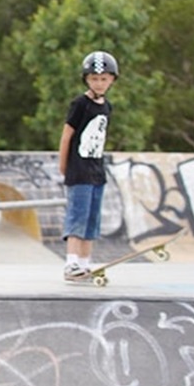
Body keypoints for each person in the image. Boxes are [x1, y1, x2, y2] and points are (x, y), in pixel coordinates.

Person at [59, 50, 117, 281]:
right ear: (86, 79)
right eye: (94, 79)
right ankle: (71, 263)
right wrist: (64, 166)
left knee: (92, 219)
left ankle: (85, 263)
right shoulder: (79, 104)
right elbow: (66, 137)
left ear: (112, 79)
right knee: (78, 215)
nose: (99, 83)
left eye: (104, 79)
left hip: (96, 170)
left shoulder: (107, 107)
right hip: (78, 169)